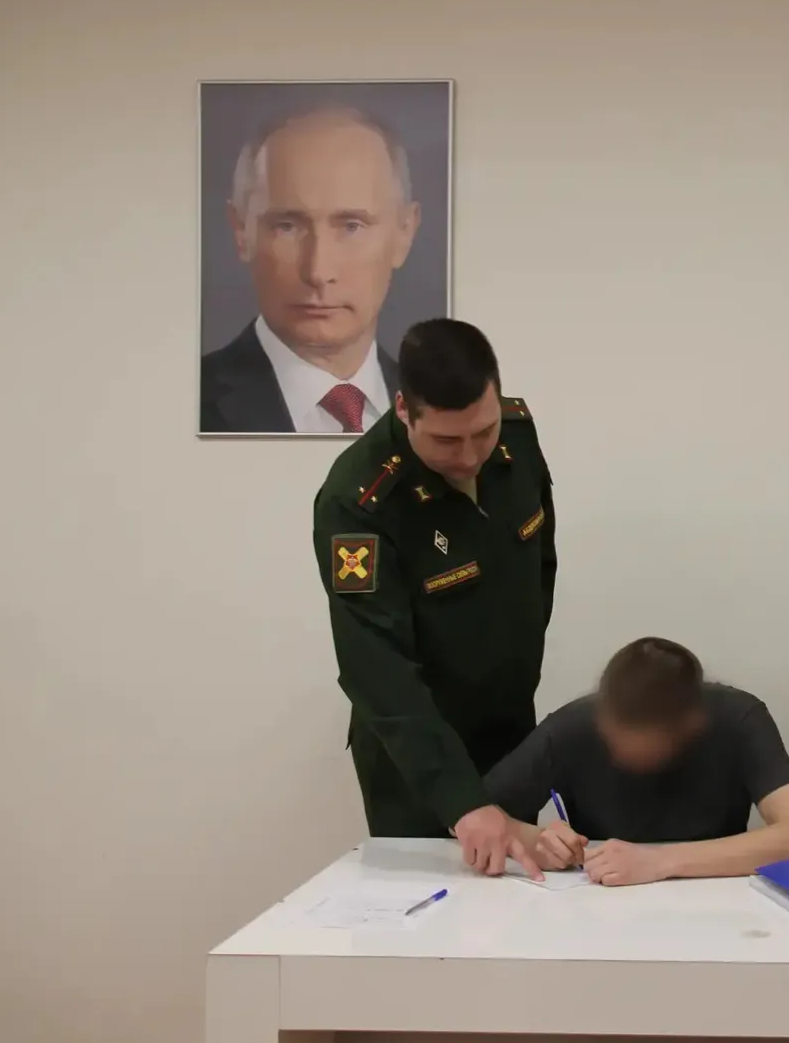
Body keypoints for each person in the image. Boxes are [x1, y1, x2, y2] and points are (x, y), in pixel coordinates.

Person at [312, 317, 556, 877]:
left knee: (521, 901)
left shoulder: (515, 433)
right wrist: (461, 801)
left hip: (511, 731)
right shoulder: (359, 501)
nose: (470, 456)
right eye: (446, 440)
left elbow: (539, 567)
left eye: (483, 432)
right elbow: (376, 667)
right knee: (431, 914)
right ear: (404, 409)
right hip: (417, 759)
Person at [484, 637, 789, 886]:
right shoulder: (573, 726)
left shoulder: (738, 719)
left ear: (691, 725)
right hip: (597, 902)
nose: (619, 749)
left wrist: (659, 862)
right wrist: (537, 841)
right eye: (612, 730)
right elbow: (470, 816)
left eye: (642, 739)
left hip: (716, 903)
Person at [202, 104, 422, 434]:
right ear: (241, 231)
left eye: (351, 226)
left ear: (404, 233)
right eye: (287, 226)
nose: (318, 272)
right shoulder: (179, 402)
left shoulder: (442, 406)